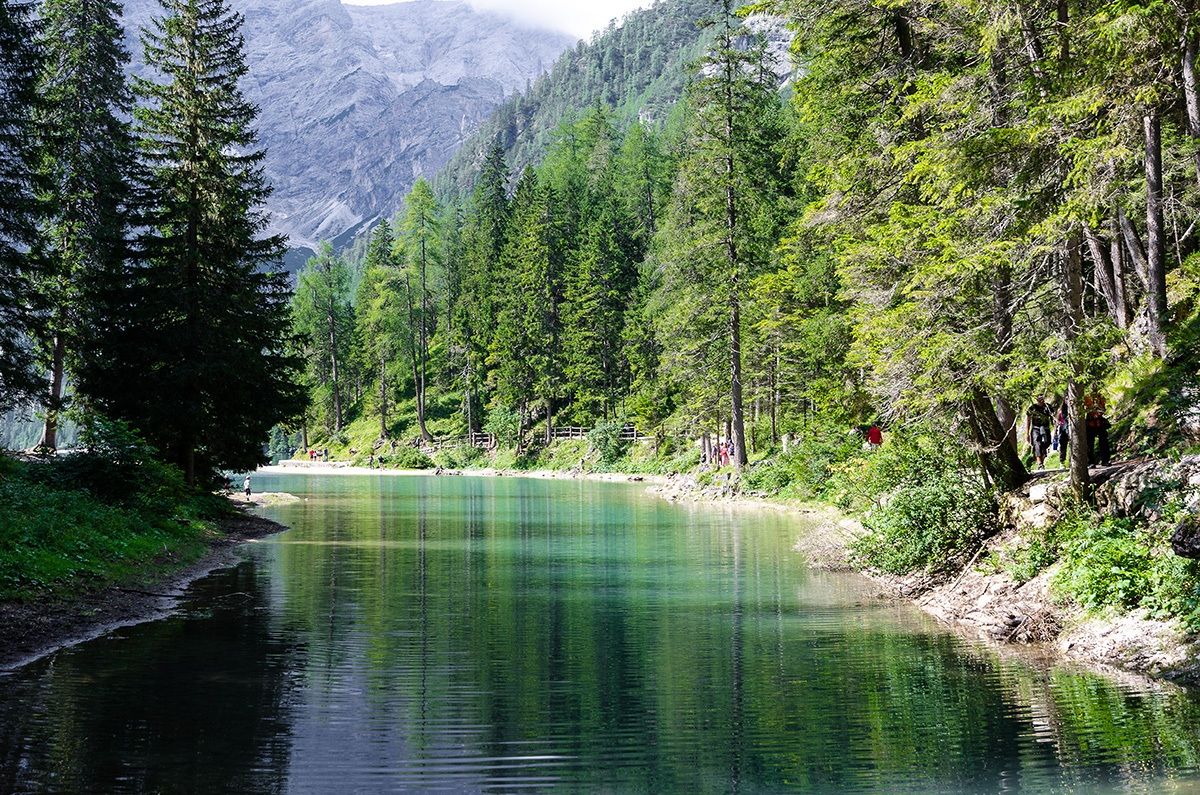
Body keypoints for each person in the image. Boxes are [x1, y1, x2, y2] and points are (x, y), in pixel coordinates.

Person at [1085, 390, 1111, 467]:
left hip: (1100, 422)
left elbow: (1104, 409)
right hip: (1090, 423)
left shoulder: (1101, 397)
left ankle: (1105, 460)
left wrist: (1099, 410)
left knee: (1104, 442)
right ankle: (1091, 462)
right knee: (1090, 444)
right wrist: (1091, 410)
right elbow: (1083, 410)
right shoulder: (1086, 397)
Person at [1026, 396, 1053, 470]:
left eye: (1042, 398)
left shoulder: (1048, 407)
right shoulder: (1032, 408)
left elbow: (1053, 416)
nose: (1041, 400)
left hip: (1046, 428)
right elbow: (1028, 420)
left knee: (1046, 444)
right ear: (1037, 399)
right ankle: (1040, 464)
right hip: (1036, 429)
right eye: (1039, 399)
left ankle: (1042, 461)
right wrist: (1027, 433)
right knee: (1037, 444)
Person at [1053, 398, 1069, 467]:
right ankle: (1062, 461)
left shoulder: (1074, 409)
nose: (1068, 400)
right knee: (1063, 445)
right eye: (1066, 399)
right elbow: (1057, 421)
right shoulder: (1061, 411)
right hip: (1063, 430)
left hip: (1072, 429)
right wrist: (1055, 432)